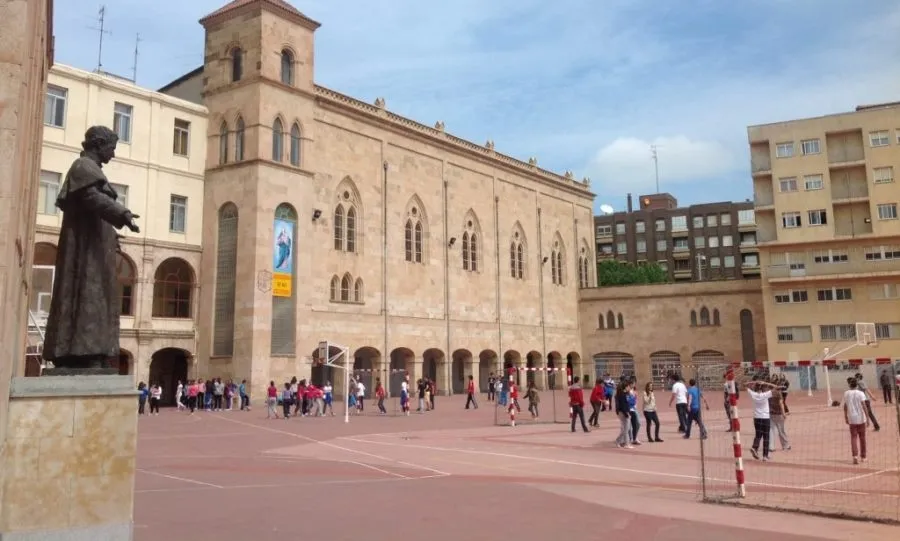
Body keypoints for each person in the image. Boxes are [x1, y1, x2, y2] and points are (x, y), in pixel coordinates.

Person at [747, 378, 779, 461]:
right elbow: (776, 387)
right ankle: (765, 455)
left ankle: (754, 447)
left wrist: (754, 382)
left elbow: (744, 385)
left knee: (758, 434)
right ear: (762, 388)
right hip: (765, 418)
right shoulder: (765, 394)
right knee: (766, 436)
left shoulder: (753, 394)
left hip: (757, 417)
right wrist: (765, 382)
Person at [843, 376, 869, 464]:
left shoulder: (846, 393)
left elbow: (845, 406)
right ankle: (863, 457)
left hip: (852, 419)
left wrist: (845, 416)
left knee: (853, 438)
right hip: (861, 418)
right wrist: (868, 418)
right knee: (862, 438)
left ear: (849, 385)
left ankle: (855, 456)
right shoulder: (860, 393)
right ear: (857, 385)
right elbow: (864, 406)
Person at [768, 374, 791, 451]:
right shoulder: (778, 393)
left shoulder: (768, 393)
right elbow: (781, 403)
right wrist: (784, 413)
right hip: (778, 414)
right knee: (781, 431)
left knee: (771, 431)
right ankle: (786, 445)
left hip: (770, 414)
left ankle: (771, 447)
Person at [615, 381, 633, 449]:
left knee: (625, 429)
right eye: (628, 386)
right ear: (625, 387)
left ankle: (618, 441)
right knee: (626, 429)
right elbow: (623, 406)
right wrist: (627, 414)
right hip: (623, 413)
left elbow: (626, 404)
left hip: (625, 412)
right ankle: (626, 444)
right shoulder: (622, 394)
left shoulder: (625, 394)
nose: (629, 388)